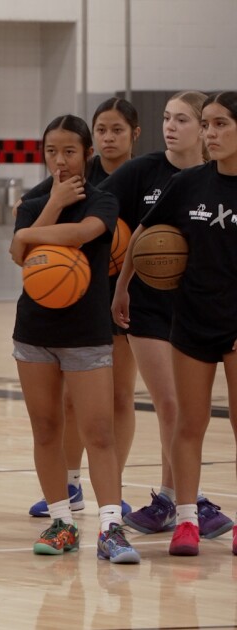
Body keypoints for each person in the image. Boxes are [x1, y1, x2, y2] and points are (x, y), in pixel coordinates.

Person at [9, 115, 139, 564]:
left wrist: (28, 233)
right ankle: (62, 522)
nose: (60, 161)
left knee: (99, 432)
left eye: (69, 151)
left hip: (86, 334)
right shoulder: (33, 202)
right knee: (46, 429)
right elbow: (17, 253)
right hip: (35, 333)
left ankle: (110, 528)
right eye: (51, 152)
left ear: (86, 153)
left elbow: (82, 235)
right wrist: (41, 215)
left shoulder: (102, 201)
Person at [115, 91, 237, 557]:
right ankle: (186, 520)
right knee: (189, 422)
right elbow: (144, 235)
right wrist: (124, 285)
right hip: (192, 321)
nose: (211, 134)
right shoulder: (188, 184)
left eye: (221, 124)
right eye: (207, 125)